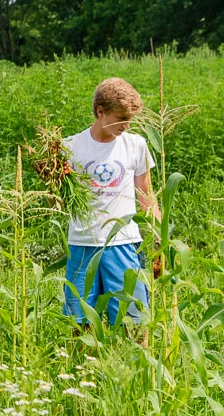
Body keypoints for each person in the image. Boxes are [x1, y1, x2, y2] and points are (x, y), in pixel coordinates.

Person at [62, 77, 159, 329]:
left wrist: (161, 237)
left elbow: (146, 195)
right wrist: (53, 178)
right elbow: (60, 203)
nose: (127, 125)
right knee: (79, 323)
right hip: (83, 244)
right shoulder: (70, 147)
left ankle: (134, 357)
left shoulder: (136, 145)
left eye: (130, 119)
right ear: (100, 112)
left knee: (133, 321)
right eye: (121, 118)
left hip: (123, 242)